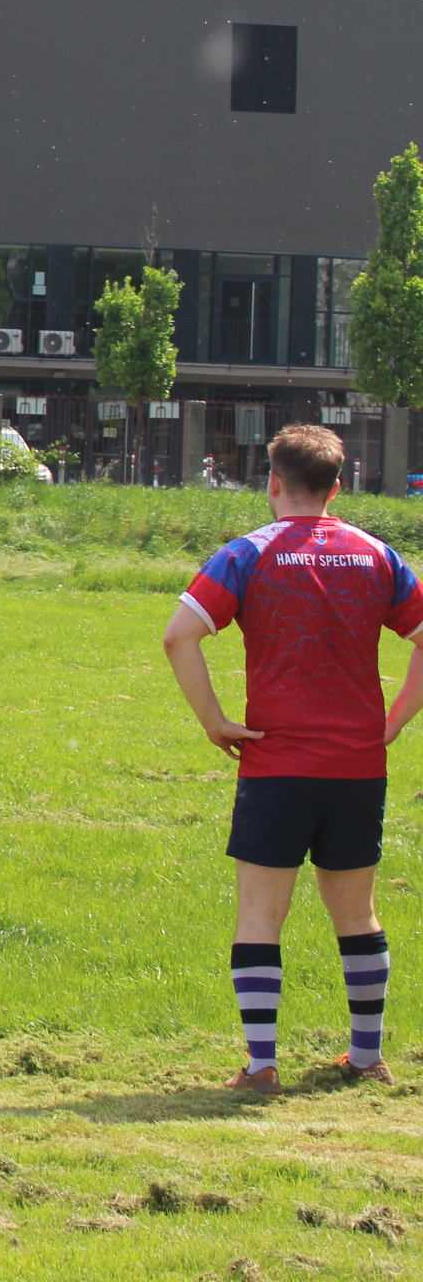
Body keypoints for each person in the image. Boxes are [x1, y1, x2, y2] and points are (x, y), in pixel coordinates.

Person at [165, 422, 423, 1094]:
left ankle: (261, 1067)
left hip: (275, 762)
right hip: (357, 767)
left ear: (273, 482)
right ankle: (366, 1057)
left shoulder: (247, 553)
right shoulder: (378, 555)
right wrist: (395, 721)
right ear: (338, 487)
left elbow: (179, 637)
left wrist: (214, 721)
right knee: (358, 914)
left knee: (260, 914)